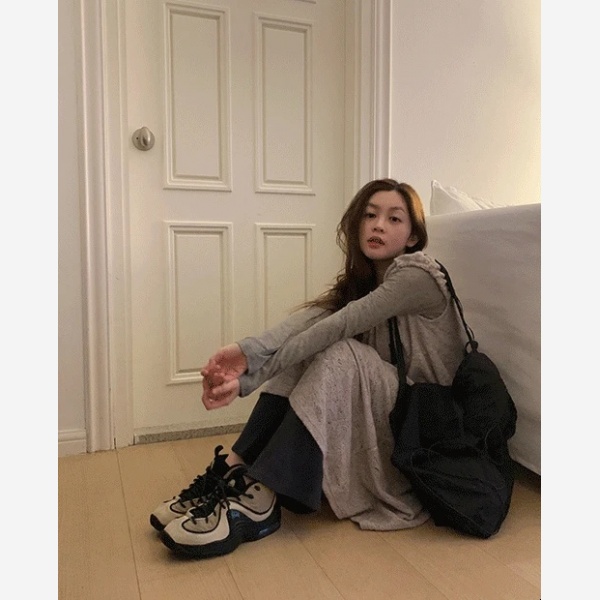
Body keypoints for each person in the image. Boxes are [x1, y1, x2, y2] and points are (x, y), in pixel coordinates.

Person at [150, 178, 467, 559]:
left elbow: (338, 325)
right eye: (370, 215)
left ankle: (261, 497)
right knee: (312, 347)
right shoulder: (365, 282)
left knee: (338, 351)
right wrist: (245, 353)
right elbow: (306, 324)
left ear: (413, 236)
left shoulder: (418, 275)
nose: (378, 225)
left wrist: (252, 379)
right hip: (392, 411)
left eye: (394, 219)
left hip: (426, 426)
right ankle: (233, 470)